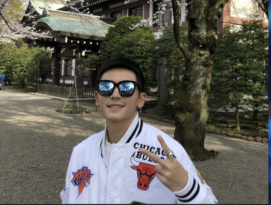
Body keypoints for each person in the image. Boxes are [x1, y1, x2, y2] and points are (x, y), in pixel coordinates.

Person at [60, 57, 218, 204]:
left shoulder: (169, 151)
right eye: (106, 87)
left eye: (126, 87)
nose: (115, 94)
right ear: (97, 98)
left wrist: (186, 187)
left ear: (141, 99)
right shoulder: (81, 151)